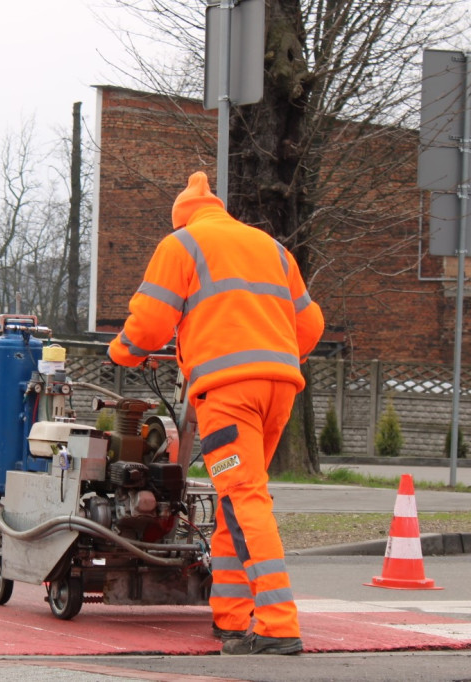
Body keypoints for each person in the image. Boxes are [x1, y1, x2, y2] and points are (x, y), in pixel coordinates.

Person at [107, 171, 324, 655]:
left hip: (229, 394)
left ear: (180, 217)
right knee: (235, 497)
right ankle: (230, 617)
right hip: (280, 387)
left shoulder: (182, 245)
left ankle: (278, 624)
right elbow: (311, 325)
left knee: (244, 497)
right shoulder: (271, 248)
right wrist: (273, 352)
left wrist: (124, 351)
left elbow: (150, 321)